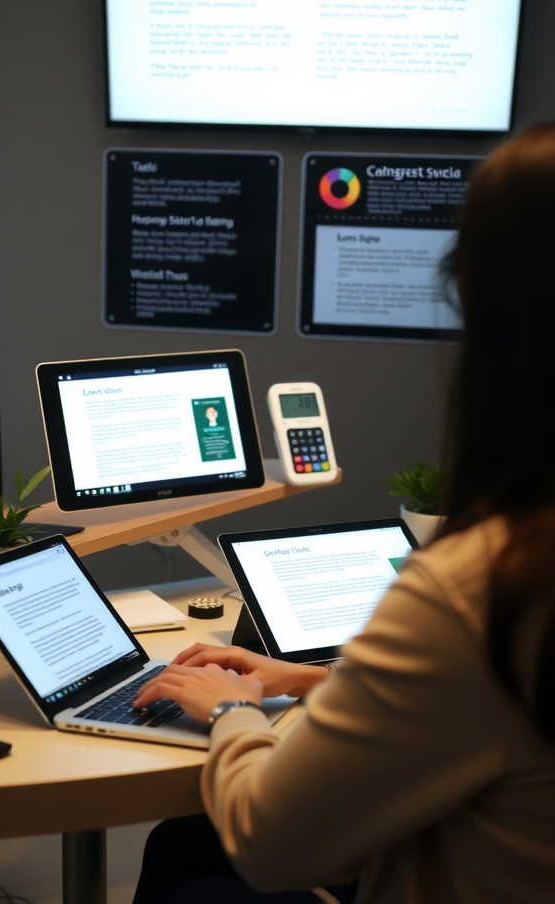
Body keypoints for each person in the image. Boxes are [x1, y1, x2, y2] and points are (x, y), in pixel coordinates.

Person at [131, 124, 555, 904]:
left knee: (196, 866)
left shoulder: (483, 588)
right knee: (180, 844)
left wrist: (231, 710)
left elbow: (269, 843)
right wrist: (309, 680)